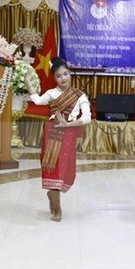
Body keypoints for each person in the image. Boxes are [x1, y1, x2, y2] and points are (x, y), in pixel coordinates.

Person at [25, 57, 91, 222]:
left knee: (66, 171)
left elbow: (88, 118)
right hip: (52, 133)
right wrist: (27, 81)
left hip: (68, 134)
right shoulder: (51, 93)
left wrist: (68, 125)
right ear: (54, 78)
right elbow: (38, 101)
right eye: (59, 76)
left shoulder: (80, 95)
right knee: (53, 169)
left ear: (69, 73)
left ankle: (52, 195)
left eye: (66, 74)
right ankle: (57, 207)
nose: (63, 78)